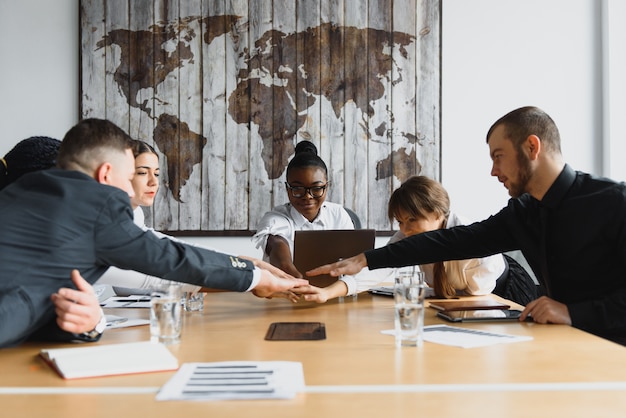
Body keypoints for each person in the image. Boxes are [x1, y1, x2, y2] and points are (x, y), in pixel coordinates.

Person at [308, 106, 626, 346]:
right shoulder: (523, 212)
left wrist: (572, 312)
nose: (493, 170)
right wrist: (367, 258)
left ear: (532, 147)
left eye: (498, 156)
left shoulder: (614, 201)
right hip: (564, 343)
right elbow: (452, 241)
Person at [0, 118, 307, 348]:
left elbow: (35, 292)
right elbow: (169, 258)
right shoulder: (98, 203)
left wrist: (91, 324)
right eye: (130, 175)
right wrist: (257, 278)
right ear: (105, 174)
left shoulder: (23, 192)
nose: (130, 187)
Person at [294, 176, 538, 305]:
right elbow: (376, 269)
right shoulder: (408, 237)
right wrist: (327, 293)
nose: (405, 229)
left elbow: (477, 294)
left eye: (412, 219)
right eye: (400, 221)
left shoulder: (473, 244)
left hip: (505, 293)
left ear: (437, 212)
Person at [95, 140, 200, 294]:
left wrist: (235, 261)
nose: (154, 182)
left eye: (156, 174)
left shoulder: (134, 214)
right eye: (142, 173)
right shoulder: (98, 221)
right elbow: (143, 279)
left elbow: (167, 245)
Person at [252, 140, 354, 279]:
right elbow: (277, 244)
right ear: (288, 189)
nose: (307, 196)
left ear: (326, 187)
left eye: (316, 188)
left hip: (334, 293)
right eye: (298, 189)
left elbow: (352, 257)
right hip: (286, 295)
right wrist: (290, 272)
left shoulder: (338, 214)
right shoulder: (275, 218)